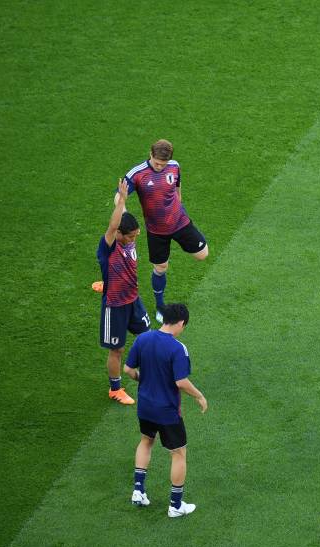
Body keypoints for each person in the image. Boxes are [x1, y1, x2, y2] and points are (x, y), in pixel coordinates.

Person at [108, 139, 209, 322]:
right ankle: (160, 305)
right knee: (161, 267)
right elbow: (118, 196)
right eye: (156, 163)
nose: (160, 167)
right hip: (157, 232)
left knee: (203, 254)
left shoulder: (174, 166)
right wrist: (125, 216)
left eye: (163, 164)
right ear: (150, 154)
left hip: (180, 222)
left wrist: (181, 206)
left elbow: (177, 189)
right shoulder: (138, 173)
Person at [123, 303, 208, 518]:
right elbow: (180, 381)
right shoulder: (177, 348)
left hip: (145, 406)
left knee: (146, 441)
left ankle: (138, 491)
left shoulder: (143, 339)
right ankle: (175, 505)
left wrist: (143, 380)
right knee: (178, 453)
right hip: (167, 410)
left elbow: (128, 369)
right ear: (180, 323)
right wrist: (199, 395)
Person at [98, 179, 151, 405]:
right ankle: (115, 389)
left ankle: (149, 374)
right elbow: (113, 225)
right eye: (131, 236)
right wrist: (119, 207)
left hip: (133, 299)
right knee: (117, 349)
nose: (133, 240)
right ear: (119, 233)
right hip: (115, 304)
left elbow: (122, 208)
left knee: (147, 336)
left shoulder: (128, 234)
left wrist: (122, 197)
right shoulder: (109, 246)